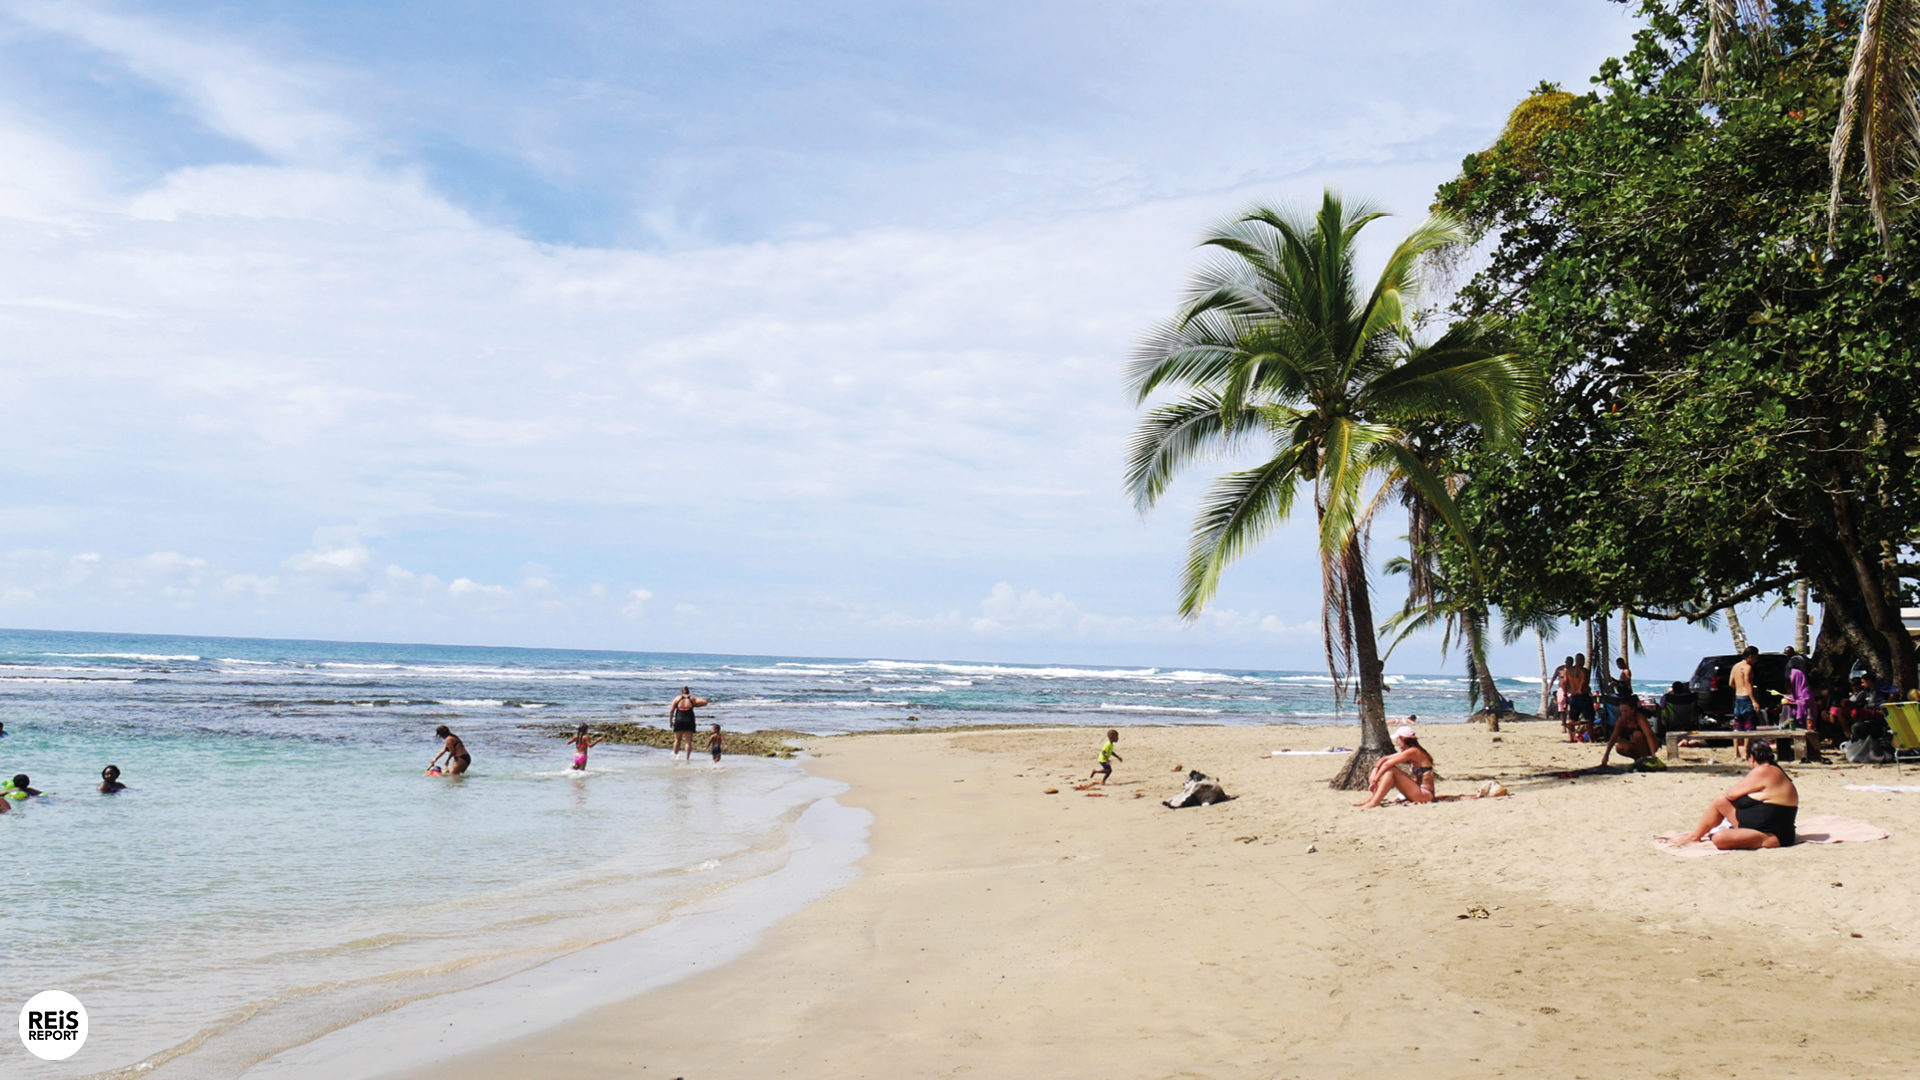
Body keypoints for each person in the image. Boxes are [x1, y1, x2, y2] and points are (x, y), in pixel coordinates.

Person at [1676, 740, 1799, 849]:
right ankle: (1694, 836)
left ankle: (1694, 836)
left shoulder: (1763, 770)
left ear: (1752, 758)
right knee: (1720, 801)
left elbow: (1731, 794)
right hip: (1771, 829)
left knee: (1719, 838)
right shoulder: (1776, 770)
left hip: (1771, 834)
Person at [1355, 725, 1435, 809]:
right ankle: (1371, 799)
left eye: (1398, 739)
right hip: (1418, 790)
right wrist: (1375, 770)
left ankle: (1374, 802)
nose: (1397, 742)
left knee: (1391, 770)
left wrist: (1375, 779)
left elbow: (1387, 764)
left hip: (1425, 794)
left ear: (1403, 740)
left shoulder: (1413, 751)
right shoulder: (1410, 751)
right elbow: (1384, 758)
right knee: (1387, 771)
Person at [1600, 694, 1662, 766]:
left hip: (1650, 744)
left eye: (1626, 711)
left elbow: (1649, 736)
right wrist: (1606, 755)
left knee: (1637, 734)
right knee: (1620, 747)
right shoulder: (1621, 720)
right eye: (1621, 711)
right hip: (1636, 745)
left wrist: (1653, 755)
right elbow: (1614, 737)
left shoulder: (1639, 718)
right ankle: (1638, 759)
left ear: (1632, 710)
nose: (1623, 713)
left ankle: (1644, 759)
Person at [669, 687, 710, 763]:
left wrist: (670, 721)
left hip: (679, 719)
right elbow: (705, 702)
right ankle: (687, 758)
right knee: (688, 741)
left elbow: (671, 711)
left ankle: (675, 756)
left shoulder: (677, 698)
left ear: (681, 692)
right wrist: (695, 705)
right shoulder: (692, 698)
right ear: (688, 692)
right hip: (689, 719)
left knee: (677, 739)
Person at [1729, 645, 1761, 731]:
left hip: (1738, 697)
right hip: (1747, 699)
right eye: (1756, 657)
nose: (1756, 660)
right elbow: (1748, 685)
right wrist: (1754, 701)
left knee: (1738, 725)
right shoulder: (1748, 668)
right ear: (1750, 657)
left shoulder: (1735, 666)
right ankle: (1747, 741)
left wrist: (1739, 688)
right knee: (1749, 726)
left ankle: (1736, 741)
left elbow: (1731, 683)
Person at [1563, 653, 1594, 741]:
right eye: (1583, 660)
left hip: (1573, 697)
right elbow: (1583, 680)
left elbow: (1564, 683)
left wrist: (1565, 694)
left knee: (1572, 718)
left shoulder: (1569, 671)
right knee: (1589, 718)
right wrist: (1580, 689)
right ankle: (1591, 738)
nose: (1584, 662)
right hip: (1583, 696)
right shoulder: (1583, 670)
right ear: (1580, 661)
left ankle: (1571, 738)